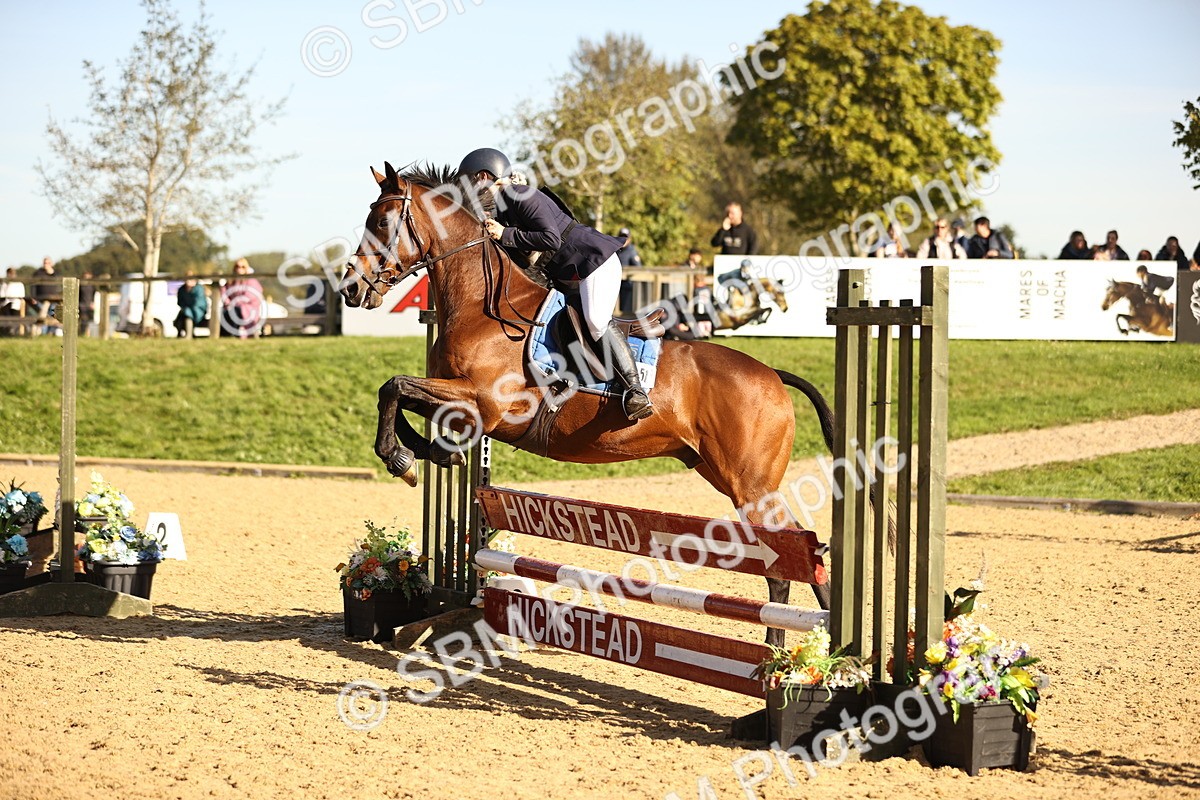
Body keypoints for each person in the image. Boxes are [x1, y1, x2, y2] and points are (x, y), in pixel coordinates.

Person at [459, 147, 652, 420]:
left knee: (596, 320)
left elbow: (551, 239)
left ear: (483, 176)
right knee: (559, 323)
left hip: (593, 262)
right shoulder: (506, 206)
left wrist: (506, 233)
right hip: (571, 274)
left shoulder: (519, 194)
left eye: (470, 185)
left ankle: (636, 390)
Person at [221, 258, 264, 338]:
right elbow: (224, 292)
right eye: (237, 266)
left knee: (235, 311)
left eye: (242, 267)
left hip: (248, 309)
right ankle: (226, 336)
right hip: (232, 307)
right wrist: (228, 303)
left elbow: (248, 297)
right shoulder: (231, 281)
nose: (239, 269)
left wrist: (234, 303)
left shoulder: (251, 281)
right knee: (226, 313)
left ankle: (234, 334)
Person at [175, 272, 209, 338]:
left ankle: (188, 335)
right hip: (185, 310)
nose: (188, 281)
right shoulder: (181, 290)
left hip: (198, 311)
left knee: (188, 316)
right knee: (181, 317)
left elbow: (199, 303)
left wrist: (188, 310)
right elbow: (180, 302)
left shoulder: (199, 289)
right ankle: (180, 334)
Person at [0, 267, 26, 336]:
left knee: (15, 312)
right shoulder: (5, 284)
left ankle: (14, 330)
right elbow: (2, 295)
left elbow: (22, 296)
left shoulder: (19, 284)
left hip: (16, 304)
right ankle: (8, 329)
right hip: (6, 304)